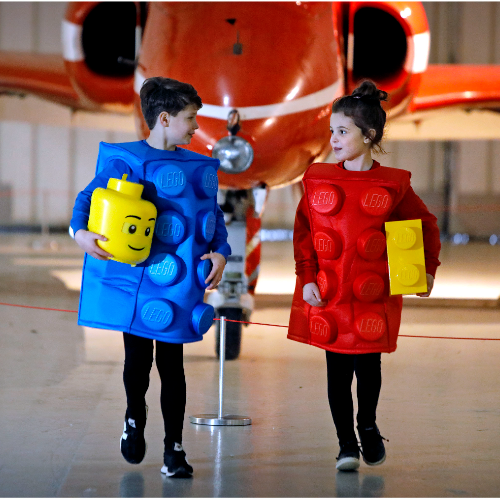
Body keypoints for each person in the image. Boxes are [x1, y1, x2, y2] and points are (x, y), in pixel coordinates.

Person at [70, 77, 231, 478]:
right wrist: (80, 233)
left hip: (178, 289)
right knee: (138, 362)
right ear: (164, 119)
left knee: (172, 365)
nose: (196, 127)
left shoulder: (198, 169)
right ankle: (133, 417)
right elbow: (87, 199)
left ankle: (174, 449)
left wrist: (221, 254)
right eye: (190, 119)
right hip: (139, 284)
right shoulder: (128, 160)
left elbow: (214, 221)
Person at [287, 81, 441, 472]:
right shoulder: (318, 179)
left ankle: (367, 425)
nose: (334, 140)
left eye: (342, 132)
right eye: (332, 132)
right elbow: (303, 231)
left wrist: (424, 270)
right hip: (330, 295)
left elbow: (425, 225)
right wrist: (307, 276)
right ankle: (345, 446)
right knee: (337, 373)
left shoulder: (393, 184)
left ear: (367, 135)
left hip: (373, 296)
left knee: (368, 368)